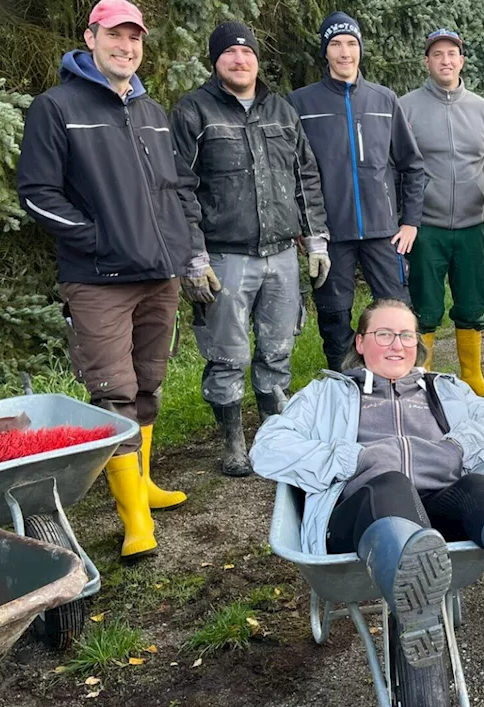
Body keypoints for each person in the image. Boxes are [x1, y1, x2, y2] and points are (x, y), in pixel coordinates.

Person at [250, 299, 484, 668]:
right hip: (364, 513)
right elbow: (269, 447)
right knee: (391, 483)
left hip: (440, 507)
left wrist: (460, 448)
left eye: (406, 335)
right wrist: (357, 459)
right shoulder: (325, 394)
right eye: (384, 334)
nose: (397, 344)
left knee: (478, 488)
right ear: (361, 343)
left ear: (418, 345)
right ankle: (412, 589)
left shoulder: (445, 389)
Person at [17, 0, 207, 560]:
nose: (127, 47)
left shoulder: (151, 110)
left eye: (135, 39)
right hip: (98, 279)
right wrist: (98, 239)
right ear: (91, 38)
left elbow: (174, 189)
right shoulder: (58, 107)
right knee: (113, 392)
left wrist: (185, 250)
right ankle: (135, 522)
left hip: (158, 274)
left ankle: (142, 482)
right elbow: (37, 193)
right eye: (116, 37)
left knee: (148, 382)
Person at [171, 22, 329, 476]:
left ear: (257, 60)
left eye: (247, 53)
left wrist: (315, 238)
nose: (239, 60)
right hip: (224, 257)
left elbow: (307, 177)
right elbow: (180, 189)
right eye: (229, 54)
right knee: (228, 355)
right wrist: (193, 257)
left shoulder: (282, 111)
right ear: (215, 61)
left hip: (281, 254)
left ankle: (274, 433)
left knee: (278, 348)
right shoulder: (193, 113)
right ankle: (232, 443)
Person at [289, 12, 425, 372]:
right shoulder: (301, 104)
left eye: (351, 44)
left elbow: (412, 164)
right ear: (325, 52)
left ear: (360, 49)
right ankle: (345, 387)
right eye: (335, 44)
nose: (344, 52)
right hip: (330, 234)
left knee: (396, 312)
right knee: (334, 321)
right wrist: (303, 226)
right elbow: (291, 171)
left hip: (383, 233)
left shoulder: (384, 100)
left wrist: (410, 221)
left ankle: (400, 384)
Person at [400, 29, 484, 402]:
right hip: (425, 227)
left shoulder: (482, 110)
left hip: (473, 227)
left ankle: (472, 376)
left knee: (472, 303)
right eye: (437, 54)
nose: (445, 60)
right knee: (425, 306)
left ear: (462, 60)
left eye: (452, 54)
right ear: (427, 61)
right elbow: (395, 167)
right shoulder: (406, 108)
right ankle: (420, 378)